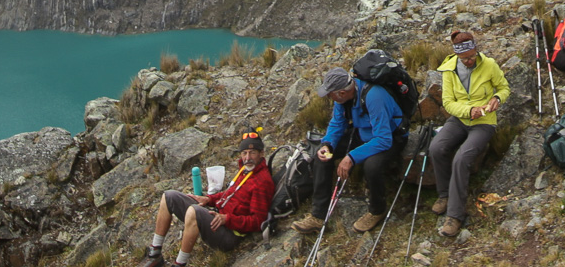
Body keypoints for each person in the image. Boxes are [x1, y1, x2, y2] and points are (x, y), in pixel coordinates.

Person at [290, 68, 403, 235]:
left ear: (342, 92)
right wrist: (327, 144)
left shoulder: (374, 97)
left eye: (330, 95)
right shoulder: (343, 99)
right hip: (364, 133)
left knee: (372, 166)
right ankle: (318, 217)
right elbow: (337, 123)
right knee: (322, 157)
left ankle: (377, 210)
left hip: (390, 137)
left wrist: (351, 157)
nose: (329, 98)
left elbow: (383, 139)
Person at [141, 129, 275, 264]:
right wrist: (209, 199)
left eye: (252, 153)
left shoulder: (262, 182)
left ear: (261, 154)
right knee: (169, 196)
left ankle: (180, 263)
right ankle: (155, 253)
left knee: (194, 212)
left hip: (229, 234)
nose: (247, 157)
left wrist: (227, 219)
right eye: (244, 153)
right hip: (217, 216)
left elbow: (258, 221)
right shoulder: (245, 170)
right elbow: (229, 194)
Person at [427, 29, 509, 239]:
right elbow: (448, 103)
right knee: (436, 147)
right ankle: (444, 195)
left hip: (484, 122)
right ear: (457, 55)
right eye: (464, 58)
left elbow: (504, 87)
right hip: (460, 119)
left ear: (476, 50)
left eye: (472, 56)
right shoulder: (449, 70)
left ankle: (454, 215)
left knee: (461, 158)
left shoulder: (489, 65)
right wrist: (468, 111)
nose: (469, 61)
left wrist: (497, 99)